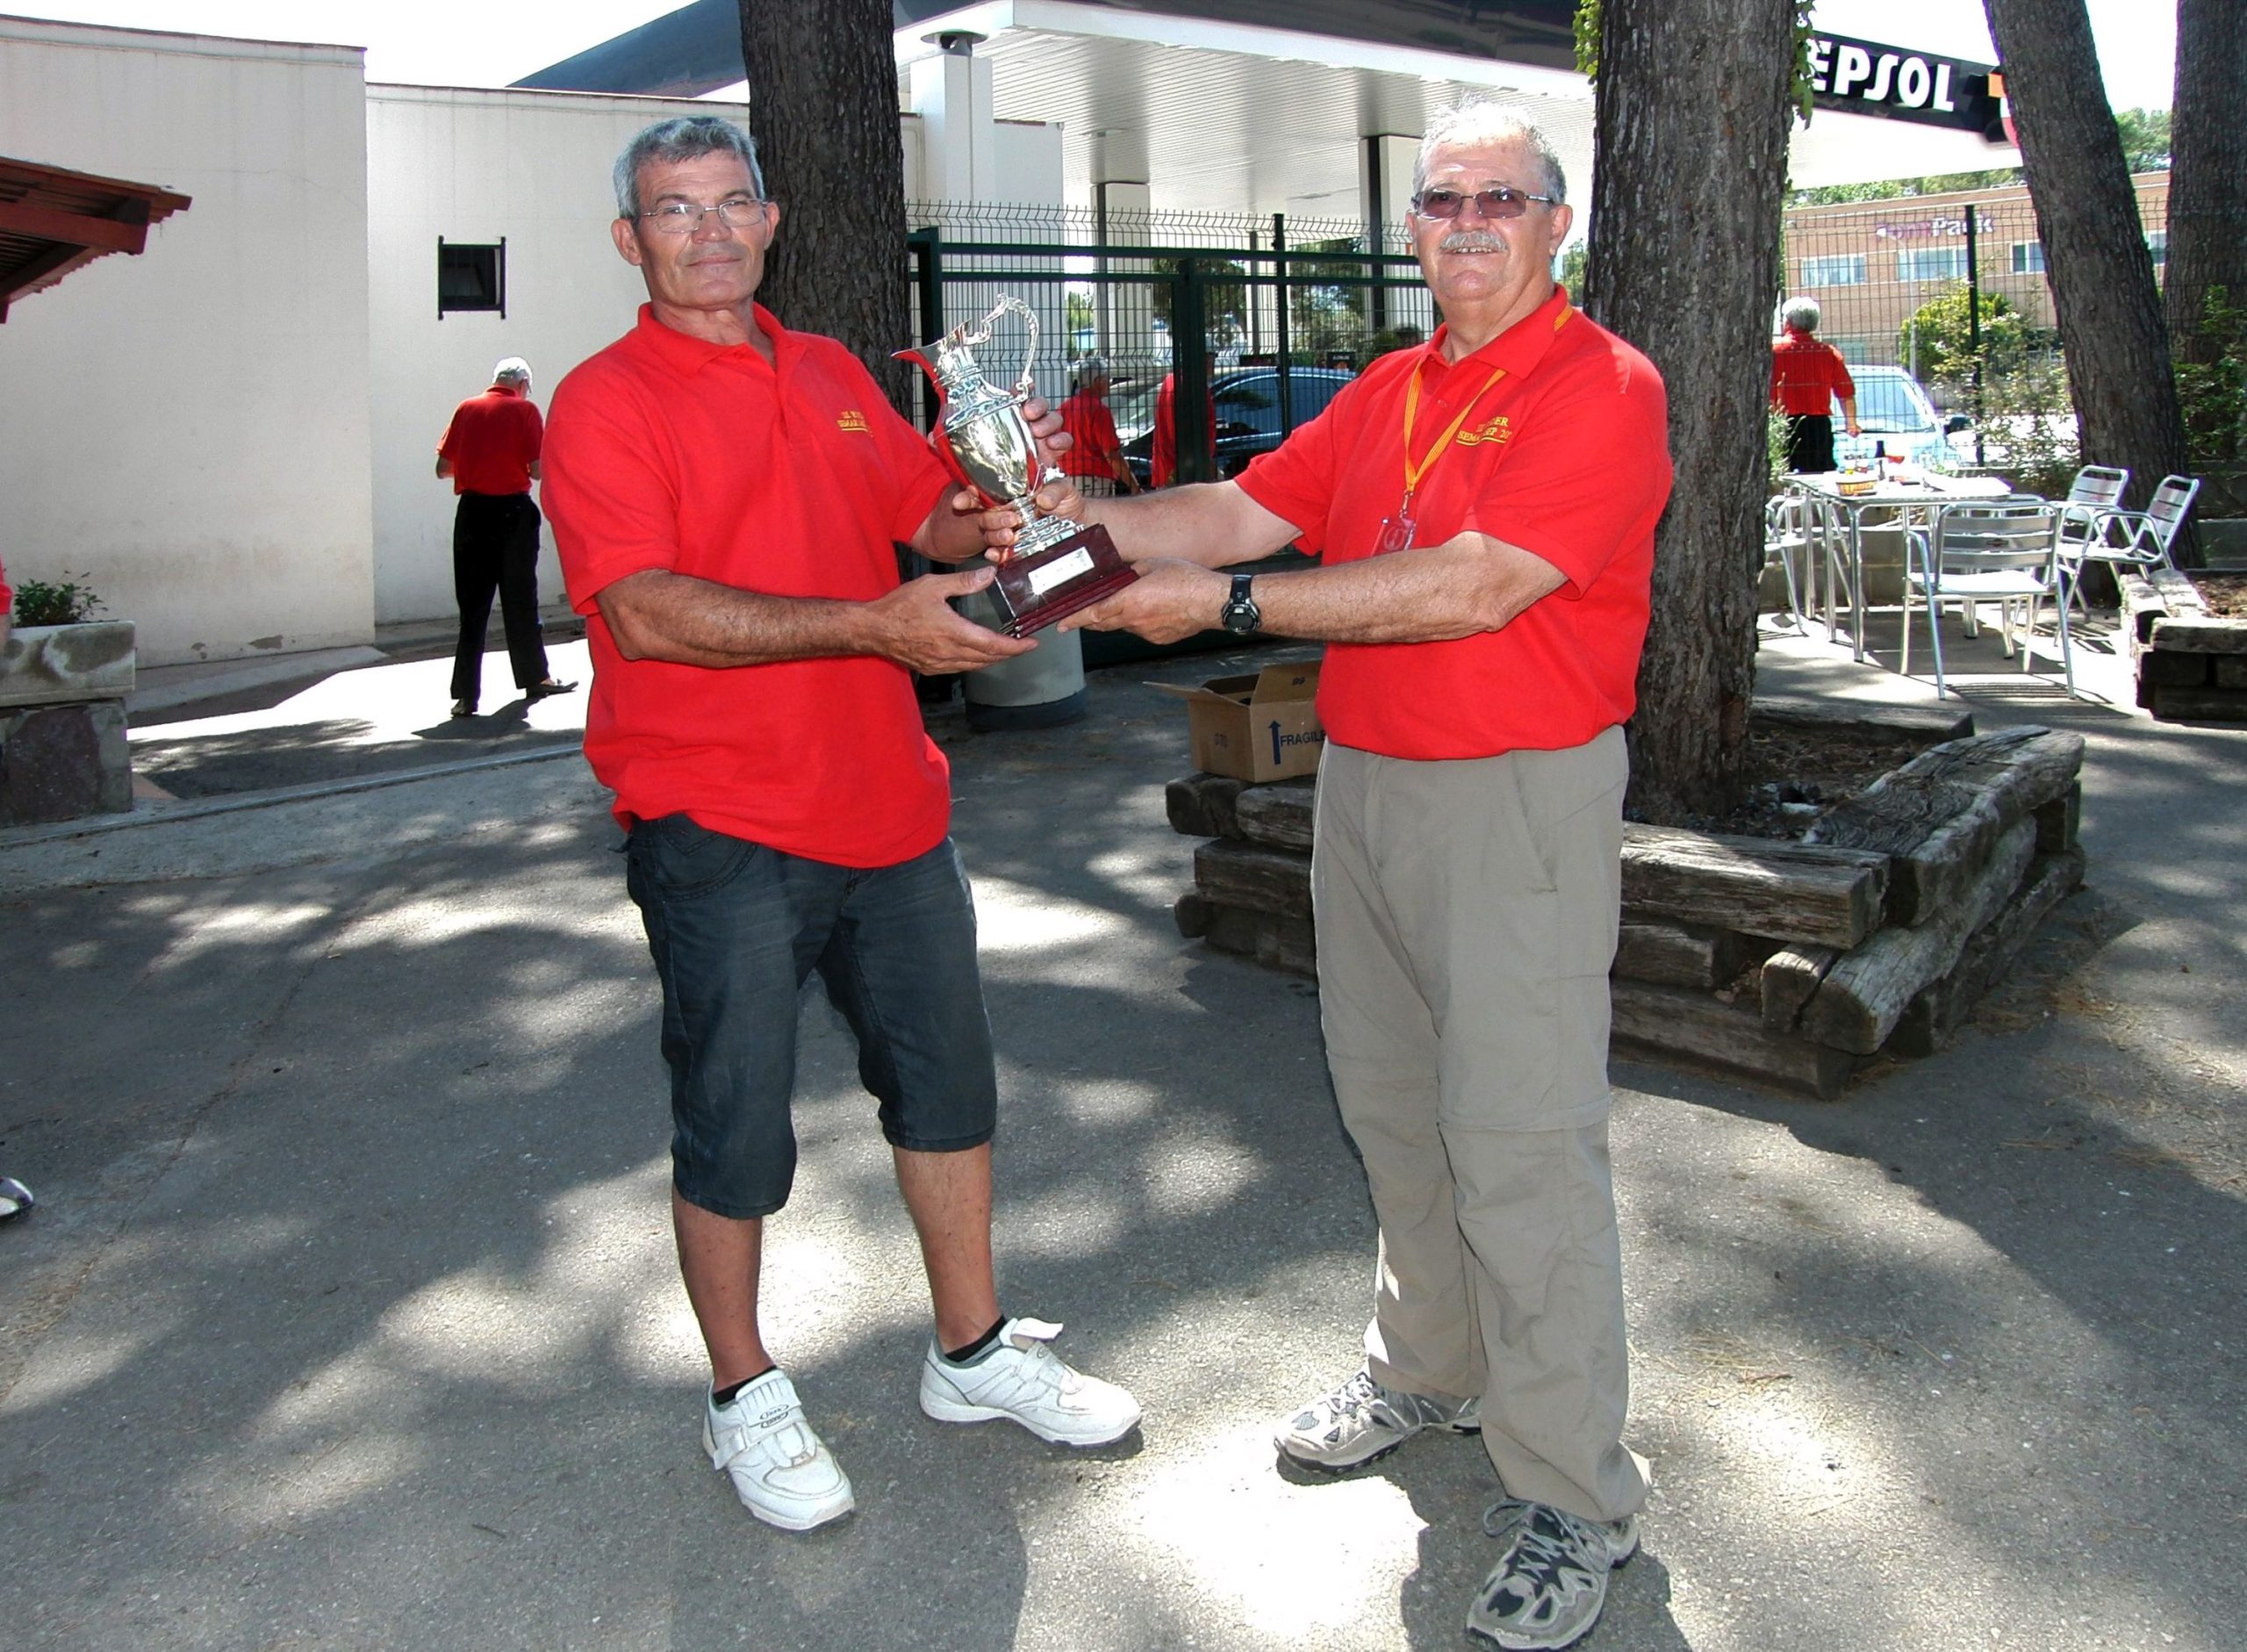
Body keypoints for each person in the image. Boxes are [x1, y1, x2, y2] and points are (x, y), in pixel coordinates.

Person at [1012, 100, 1669, 1650]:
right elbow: (1236, 509)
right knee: (1394, 1108)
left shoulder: (1601, 385)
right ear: (1414, 223)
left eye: (1499, 197)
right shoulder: (1391, 385)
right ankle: (1431, 1369)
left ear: (1554, 220)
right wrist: (1083, 523)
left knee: (1519, 1144)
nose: (1466, 222)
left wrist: (1226, 605)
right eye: (1441, 199)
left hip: (1517, 800)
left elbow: (1476, 586)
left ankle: (1576, 1491)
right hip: (1366, 785)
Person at [539, 115, 1138, 1536]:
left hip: (889, 804)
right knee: (735, 1119)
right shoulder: (603, 400)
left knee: (949, 1090)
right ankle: (742, 1390)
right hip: (718, 816)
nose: (708, 230)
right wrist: (875, 624)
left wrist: (1008, 501)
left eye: (729, 202)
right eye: (673, 210)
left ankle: (972, 1353)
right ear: (630, 240)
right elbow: (646, 612)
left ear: (771, 219)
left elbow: (930, 521)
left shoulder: (826, 372)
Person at [434, 357, 575, 717]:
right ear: (523, 384)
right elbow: (537, 469)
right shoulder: (524, 411)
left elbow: (443, 468)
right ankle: (535, 677)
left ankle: (466, 696)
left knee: (473, 608)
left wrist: (478, 465)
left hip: (472, 513)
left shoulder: (466, 408)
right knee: (520, 600)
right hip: (512, 512)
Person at [1770, 296, 1859, 474]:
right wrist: (1851, 423)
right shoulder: (1828, 353)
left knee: (1783, 476)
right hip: (1818, 426)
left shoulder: (1774, 351)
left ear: (1788, 322)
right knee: (1819, 477)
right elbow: (1846, 393)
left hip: (1783, 424)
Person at [1057, 356, 1141, 497]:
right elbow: (1111, 454)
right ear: (1098, 381)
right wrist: (1134, 486)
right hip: (1095, 481)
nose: (1110, 382)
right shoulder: (1098, 410)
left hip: (1068, 480)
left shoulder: (1064, 408)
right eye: (1108, 378)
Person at [1147, 370, 1214, 487]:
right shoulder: (1192, 387)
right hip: (1183, 472)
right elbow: (1177, 433)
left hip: (1166, 467)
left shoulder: (1170, 381)